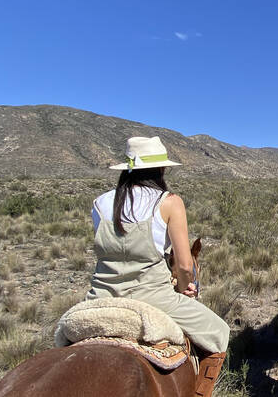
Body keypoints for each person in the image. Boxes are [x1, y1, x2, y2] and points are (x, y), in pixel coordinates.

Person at [87, 136, 230, 397]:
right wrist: (186, 288)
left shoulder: (100, 203)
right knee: (219, 332)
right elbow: (185, 265)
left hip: (100, 296)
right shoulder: (169, 202)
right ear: (162, 169)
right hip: (152, 296)